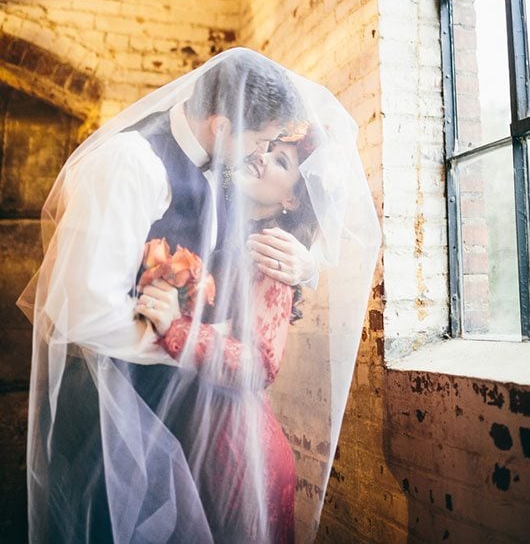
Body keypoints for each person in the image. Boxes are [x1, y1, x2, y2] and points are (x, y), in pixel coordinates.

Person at [19, 48, 380, 543]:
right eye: (261, 141)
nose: (260, 155)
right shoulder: (132, 163)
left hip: (191, 426)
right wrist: (182, 339)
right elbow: (82, 311)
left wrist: (309, 266)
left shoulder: (225, 172)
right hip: (115, 414)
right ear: (223, 127)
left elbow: (271, 228)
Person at [136, 125, 322, 543]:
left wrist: (175, 327)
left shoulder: (271, 251)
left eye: (280, 161)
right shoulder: (218, 206)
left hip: (235, 448)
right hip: (189, 431)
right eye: (267, 146)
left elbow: (260, 364)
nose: (262, 156)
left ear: (291, 199)